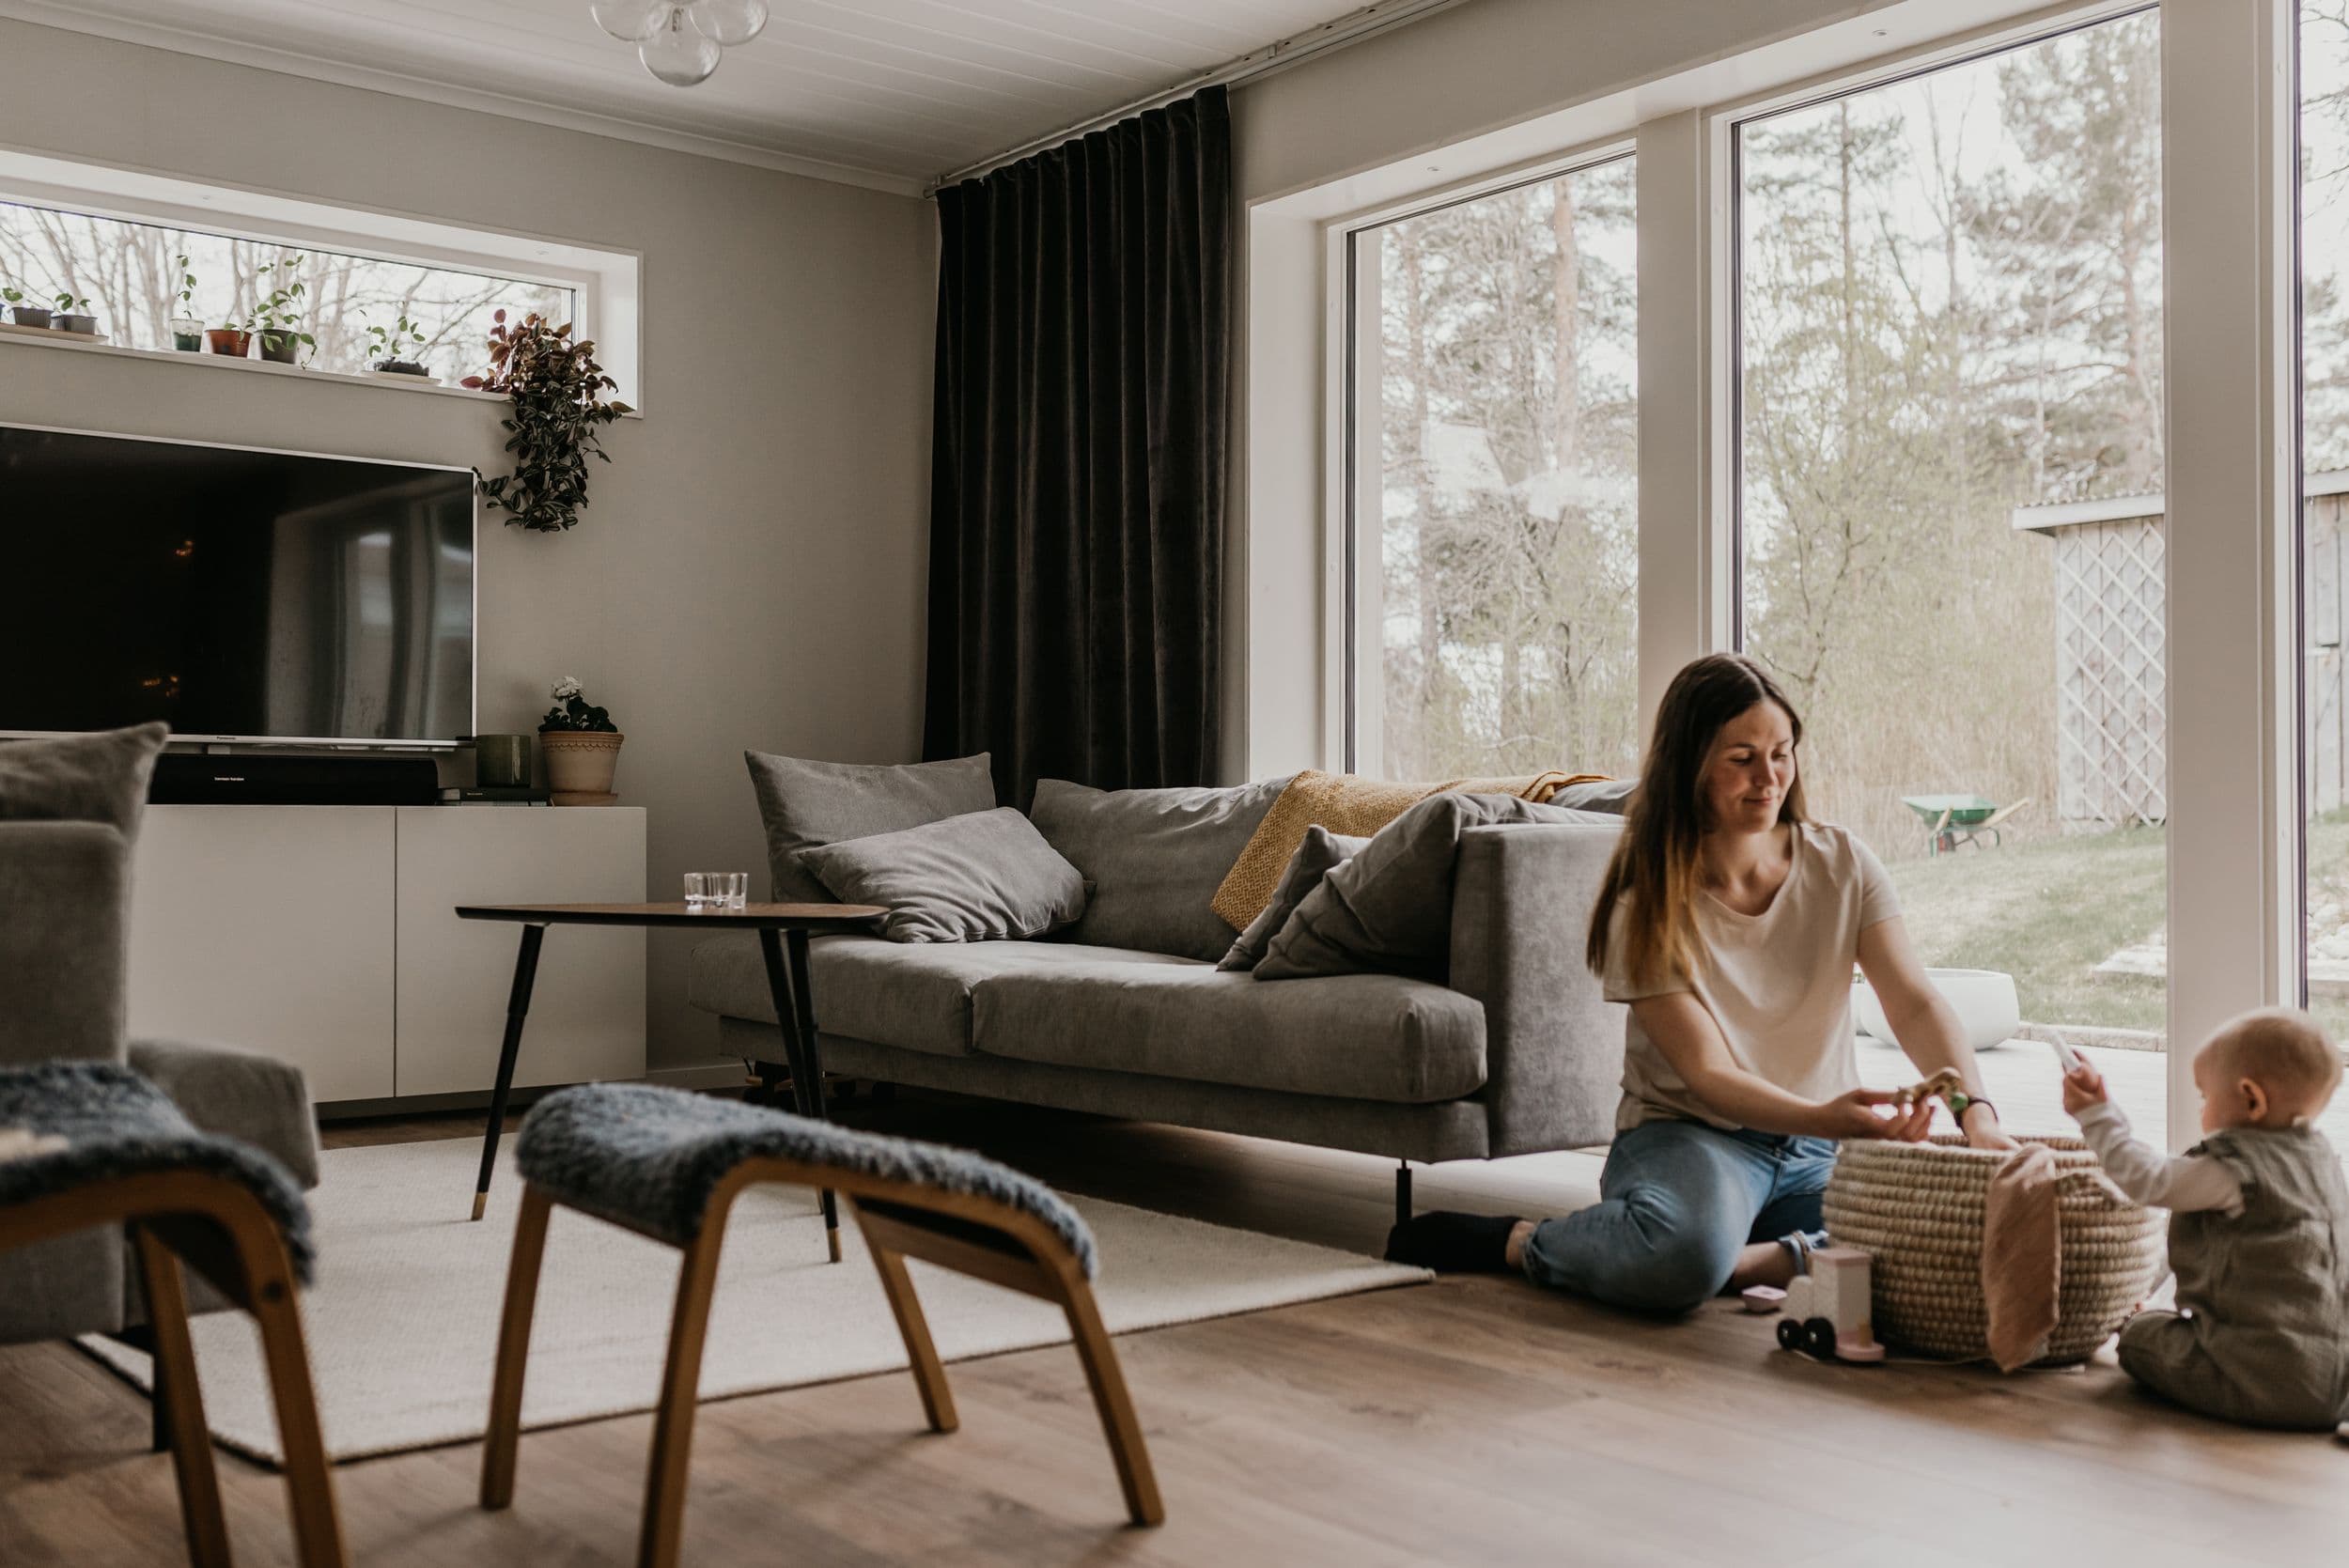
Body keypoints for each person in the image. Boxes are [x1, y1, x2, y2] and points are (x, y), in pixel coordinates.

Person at [1387, 652, 2016, 1311]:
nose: (1769, 778)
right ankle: (1524, 1242)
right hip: (1691, 1139)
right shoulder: (1648, 903)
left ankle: (1754, 1260)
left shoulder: (1844, 863)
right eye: (1742, 759)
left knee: (1956, 1218)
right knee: (1680, 1254)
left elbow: (1914, 1003)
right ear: (1691, 768)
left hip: (1816, 1150)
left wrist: (1977, 1115)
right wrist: (1823, 1115)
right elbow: (1709, 1073)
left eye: (1781, 753)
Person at [2061, 1007, 2349, 1431]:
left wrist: (2096, 1114)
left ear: (2251, 1099)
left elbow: (2148, 1179)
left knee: (2139, 1339)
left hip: (2264, 1380)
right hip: (2338, 1380)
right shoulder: (2323, 1163)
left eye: (2205, 1097)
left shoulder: (2237, 1169)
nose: (2201, 1109)